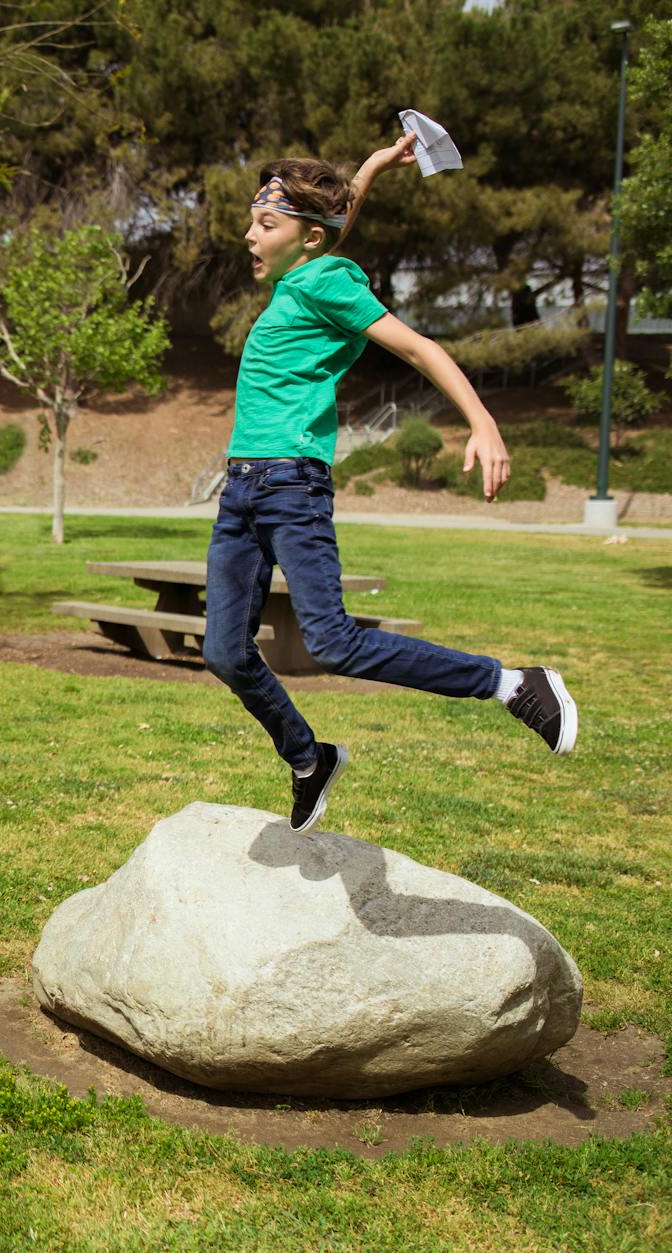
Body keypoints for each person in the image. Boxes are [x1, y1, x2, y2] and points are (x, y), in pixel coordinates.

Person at [203, 138, 577, 834]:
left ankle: (512, 684)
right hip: (242, 492)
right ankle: (310, 759)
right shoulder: (301, 274)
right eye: (253, 221)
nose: (249, 235)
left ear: (305, 238)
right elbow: (326, 229)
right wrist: (371, 170)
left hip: (290, 486)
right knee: (224, 651)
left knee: (333, 641)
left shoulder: (327, 282)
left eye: (265, 224)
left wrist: (482, 421)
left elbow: (419, 348)